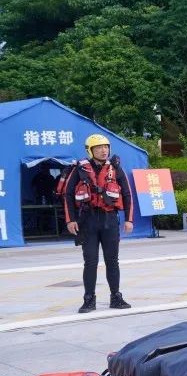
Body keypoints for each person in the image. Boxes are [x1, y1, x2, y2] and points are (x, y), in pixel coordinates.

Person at [64, 134, 133, 313]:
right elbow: (68, 195)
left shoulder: (115, 169)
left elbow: (127, 194)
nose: (104, 150)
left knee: (112, 261)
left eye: (106, 147)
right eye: (99, 148)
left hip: (110, 220)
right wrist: (70, 219)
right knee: (90, 262)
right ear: (90, 150)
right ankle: (89, 300)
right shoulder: (79, 169)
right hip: (88, 221)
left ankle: (116, 297)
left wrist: (129, 219)